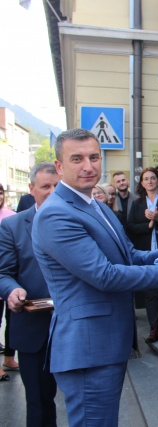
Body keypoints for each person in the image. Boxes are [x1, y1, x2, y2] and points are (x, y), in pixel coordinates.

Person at [31, 128, 158, 426]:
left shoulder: (97, 206)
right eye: (77, 158)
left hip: (105, 343)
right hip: (88, 348)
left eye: (94, 157)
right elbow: (104, 276)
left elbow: (129, 256)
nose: (88, 165)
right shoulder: (55, 214)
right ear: (59, 166)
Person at [0, 162, 60, 426]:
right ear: (32, 188)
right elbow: (3, 273)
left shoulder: (81, 220)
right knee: (38, 401)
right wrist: (12, 290)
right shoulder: (12, 226)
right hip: (34, 328)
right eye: (45, 186)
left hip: (74, 326)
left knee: (82, 402)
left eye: (57, 186)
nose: (52, 191)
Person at [127, 168, 158, 343]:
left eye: (153, 178)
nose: (150, 181)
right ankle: (153, 327)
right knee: (151, 294)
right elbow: (130, 226)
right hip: (147, 254)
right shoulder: (137, 203)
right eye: (146, 179)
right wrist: (147, 226)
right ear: (141, 183)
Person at [0, 182, 18, 381]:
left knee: (11, 321)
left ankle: (9, 358)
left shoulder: (10, 217)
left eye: (0, 193)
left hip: (9, 277)